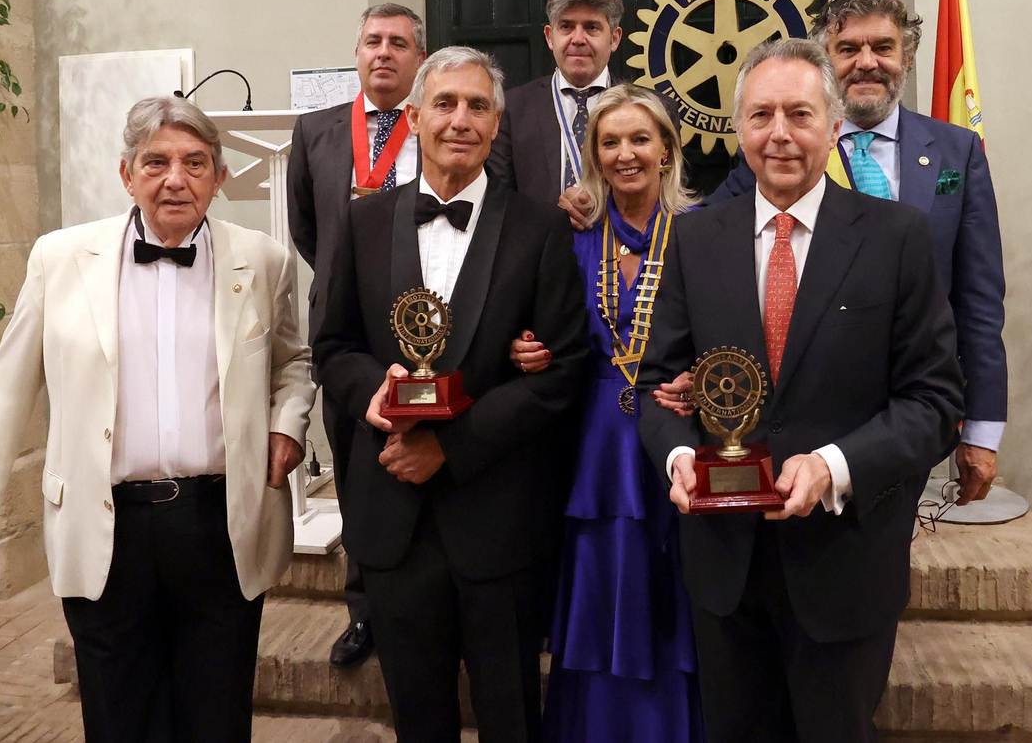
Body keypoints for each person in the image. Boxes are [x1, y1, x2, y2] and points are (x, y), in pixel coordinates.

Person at [0, 96, 317, 743]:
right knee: (117, 720)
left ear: (219, 179)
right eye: (156, 161)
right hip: (106, 528)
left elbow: (292, 364)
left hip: (221, 524)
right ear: (126, 175)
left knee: (217, 720)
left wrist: (288, 424)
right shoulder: (60, 259)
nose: (175, 179)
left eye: (195, 163)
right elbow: (5, 387)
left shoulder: (264, 260)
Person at [638, 38, 964, 743]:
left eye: (798, 114)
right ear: (739, 128)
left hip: (844, 564)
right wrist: (678, 456)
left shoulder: (896, 238)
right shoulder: (694, 240)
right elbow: (655, 386)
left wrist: (831, 466)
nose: (779, 134)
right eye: (760, 116)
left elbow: (933, 403)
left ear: (834, 123)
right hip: (726, 568)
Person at [314, 46, 590, 743]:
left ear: (497, 124)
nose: (459, 120)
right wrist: (374, 394)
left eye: (476, 106)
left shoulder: (541, 230)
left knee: (511, 716)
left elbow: (564, 370)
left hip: (498, 516)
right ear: (413, 117)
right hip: (393, 516)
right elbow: (333, 348)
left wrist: (449, 447)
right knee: (417, 717)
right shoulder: (363, 221)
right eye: (444, 104)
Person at [703, 0, 1007, 504]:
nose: (867, 63)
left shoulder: (957, 153)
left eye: (883, 47)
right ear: (827, 58)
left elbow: (979, 301)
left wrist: (981, 429)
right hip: (814, 414)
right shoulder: (788, 150)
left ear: (907, 57)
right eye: (848, 49)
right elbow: (703, 232)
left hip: (916, 414)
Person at [507, 84, 705, 742]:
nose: (626, 155)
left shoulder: (704, 235)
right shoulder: (569, 239)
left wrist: (704, 379)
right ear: (592, 155)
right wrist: (525, 346)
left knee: (670, 593)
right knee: (594, 591)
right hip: (590, 446)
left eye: (640, 139)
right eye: (610, 142)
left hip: (673, 438)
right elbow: (539, 328)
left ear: (667, 150)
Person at [289, 2, 427, 669]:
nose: (384, 52)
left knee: (426, 455)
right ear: (357, 51)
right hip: (347, 330)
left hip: (428, 325)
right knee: (351, 468)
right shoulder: (315, 131)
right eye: (373, 40)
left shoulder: (438, 128)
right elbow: (306, 230)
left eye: (399, 43)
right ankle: (363, 610)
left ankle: (428, 599)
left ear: (418, 60)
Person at [489, 0, 625, 213]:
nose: (578, 39)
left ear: (614, 39)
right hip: (539, 247)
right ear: (550, 37)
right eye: (566, 27)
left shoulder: (651, 110)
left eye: (592, 28)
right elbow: (499, 201)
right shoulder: (512, 109)